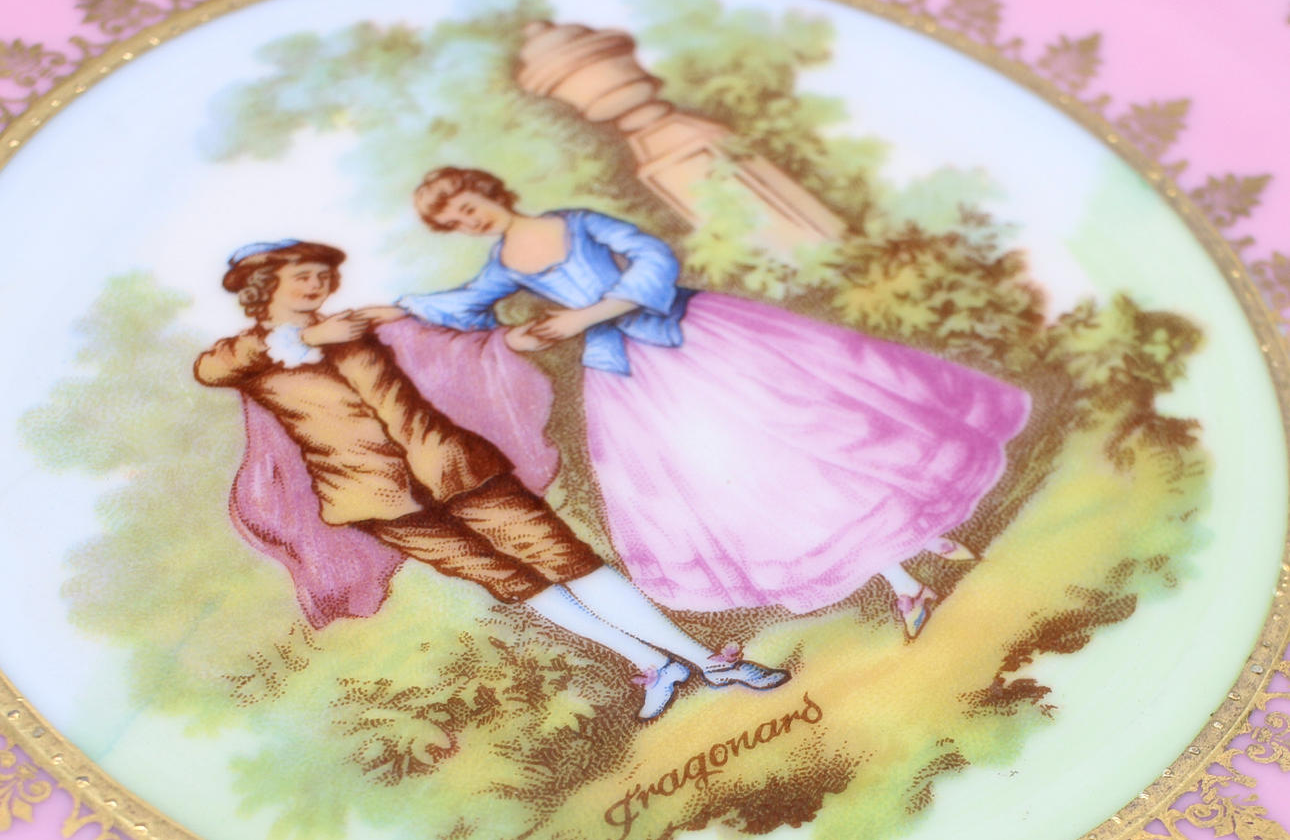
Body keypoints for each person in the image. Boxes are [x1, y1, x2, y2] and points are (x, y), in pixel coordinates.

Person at [365, 167, 1032, 638]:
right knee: (738, 478)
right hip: (629, 375)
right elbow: (463, 306)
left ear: (487, 189)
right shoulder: (503, 263)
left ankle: (912, 546)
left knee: (811, 430)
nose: (470, 218)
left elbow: (654, 259)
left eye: (469, 203)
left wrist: (587, 314)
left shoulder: (575, 222)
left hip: (693, 334)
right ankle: (904, 576)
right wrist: (393, 310)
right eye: (455, 220)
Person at [193, 239, 788, 720]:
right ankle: (654, 664)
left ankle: (709, 662)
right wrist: (302, 339)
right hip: (373, 496)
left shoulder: (357, 325)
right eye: (303, 276)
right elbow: (211, 368)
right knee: (510, 582)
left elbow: (444, 330)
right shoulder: (244, 354)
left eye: (323, 275)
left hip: (452, 465)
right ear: (264, 287)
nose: (318, 285)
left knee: (567, 559)